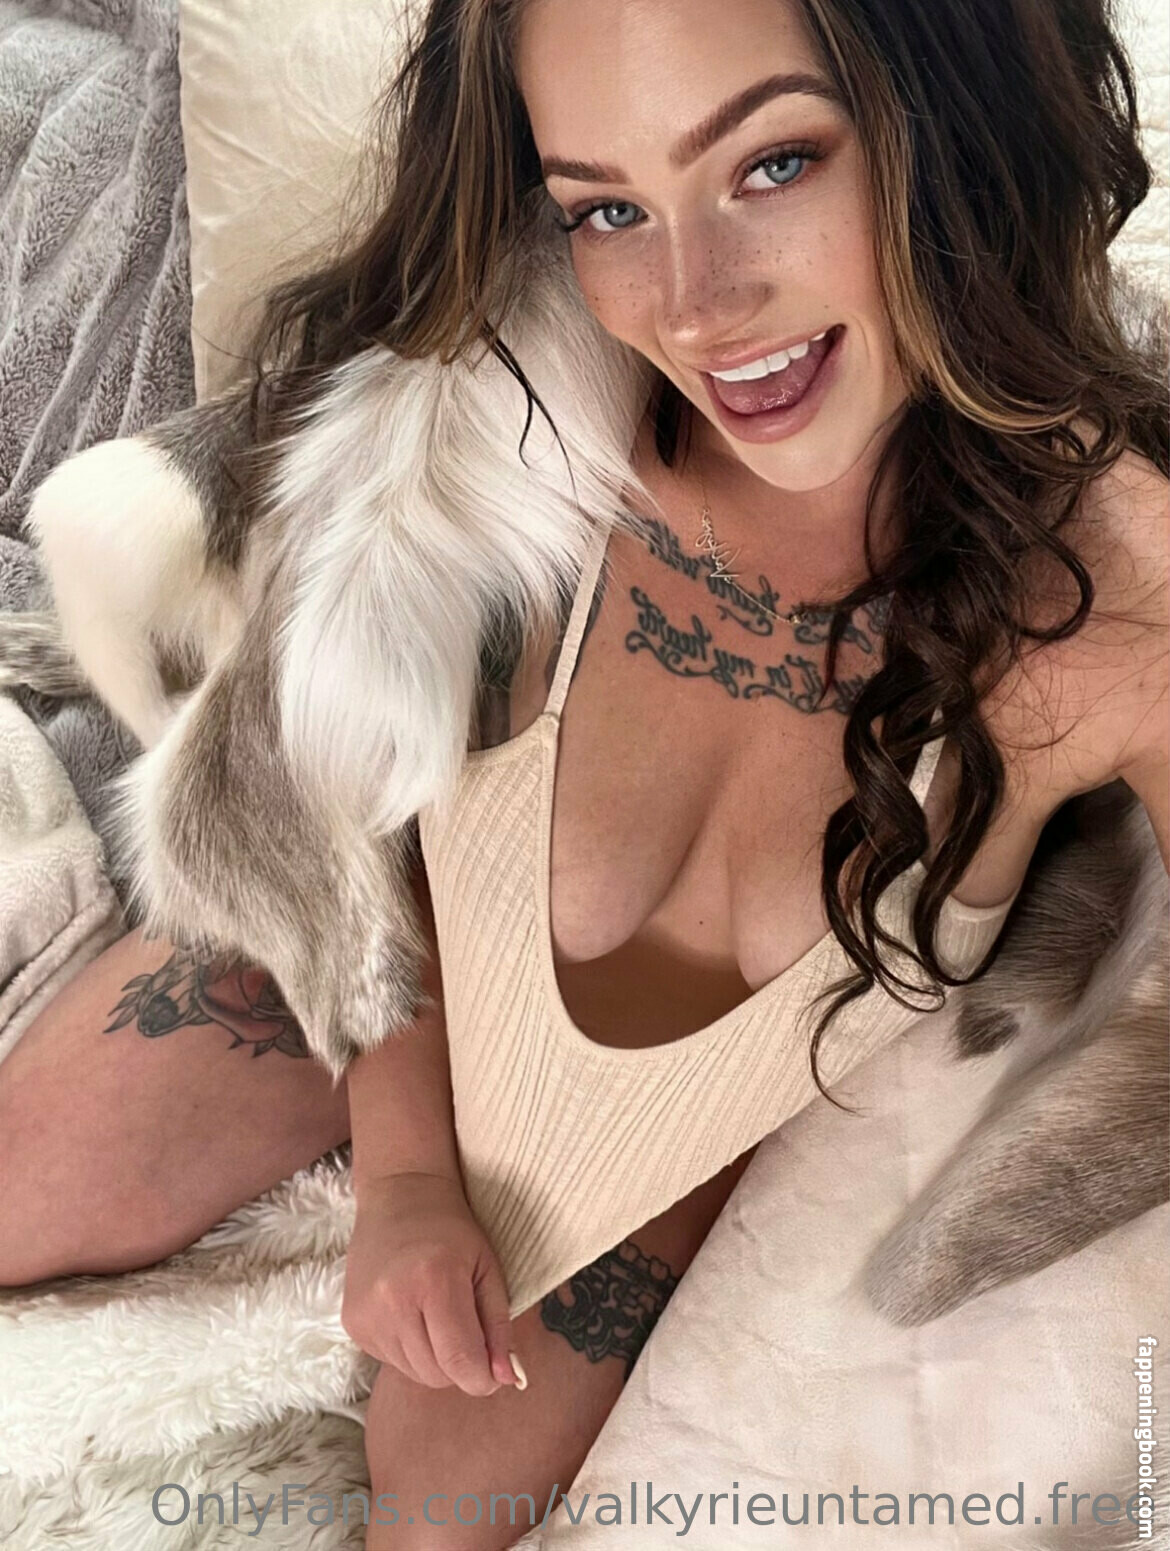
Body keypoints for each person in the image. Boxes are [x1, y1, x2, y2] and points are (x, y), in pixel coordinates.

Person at [1, 0, 1167, 1546]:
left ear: (963, 126)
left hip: (640, 1156)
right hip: (377, 951)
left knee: (442, 1521)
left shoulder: (1123, 602)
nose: (694, 307)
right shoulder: (517, 417)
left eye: (774, 163)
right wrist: (403, 1179)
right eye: (607, 208)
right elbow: (352, 801)